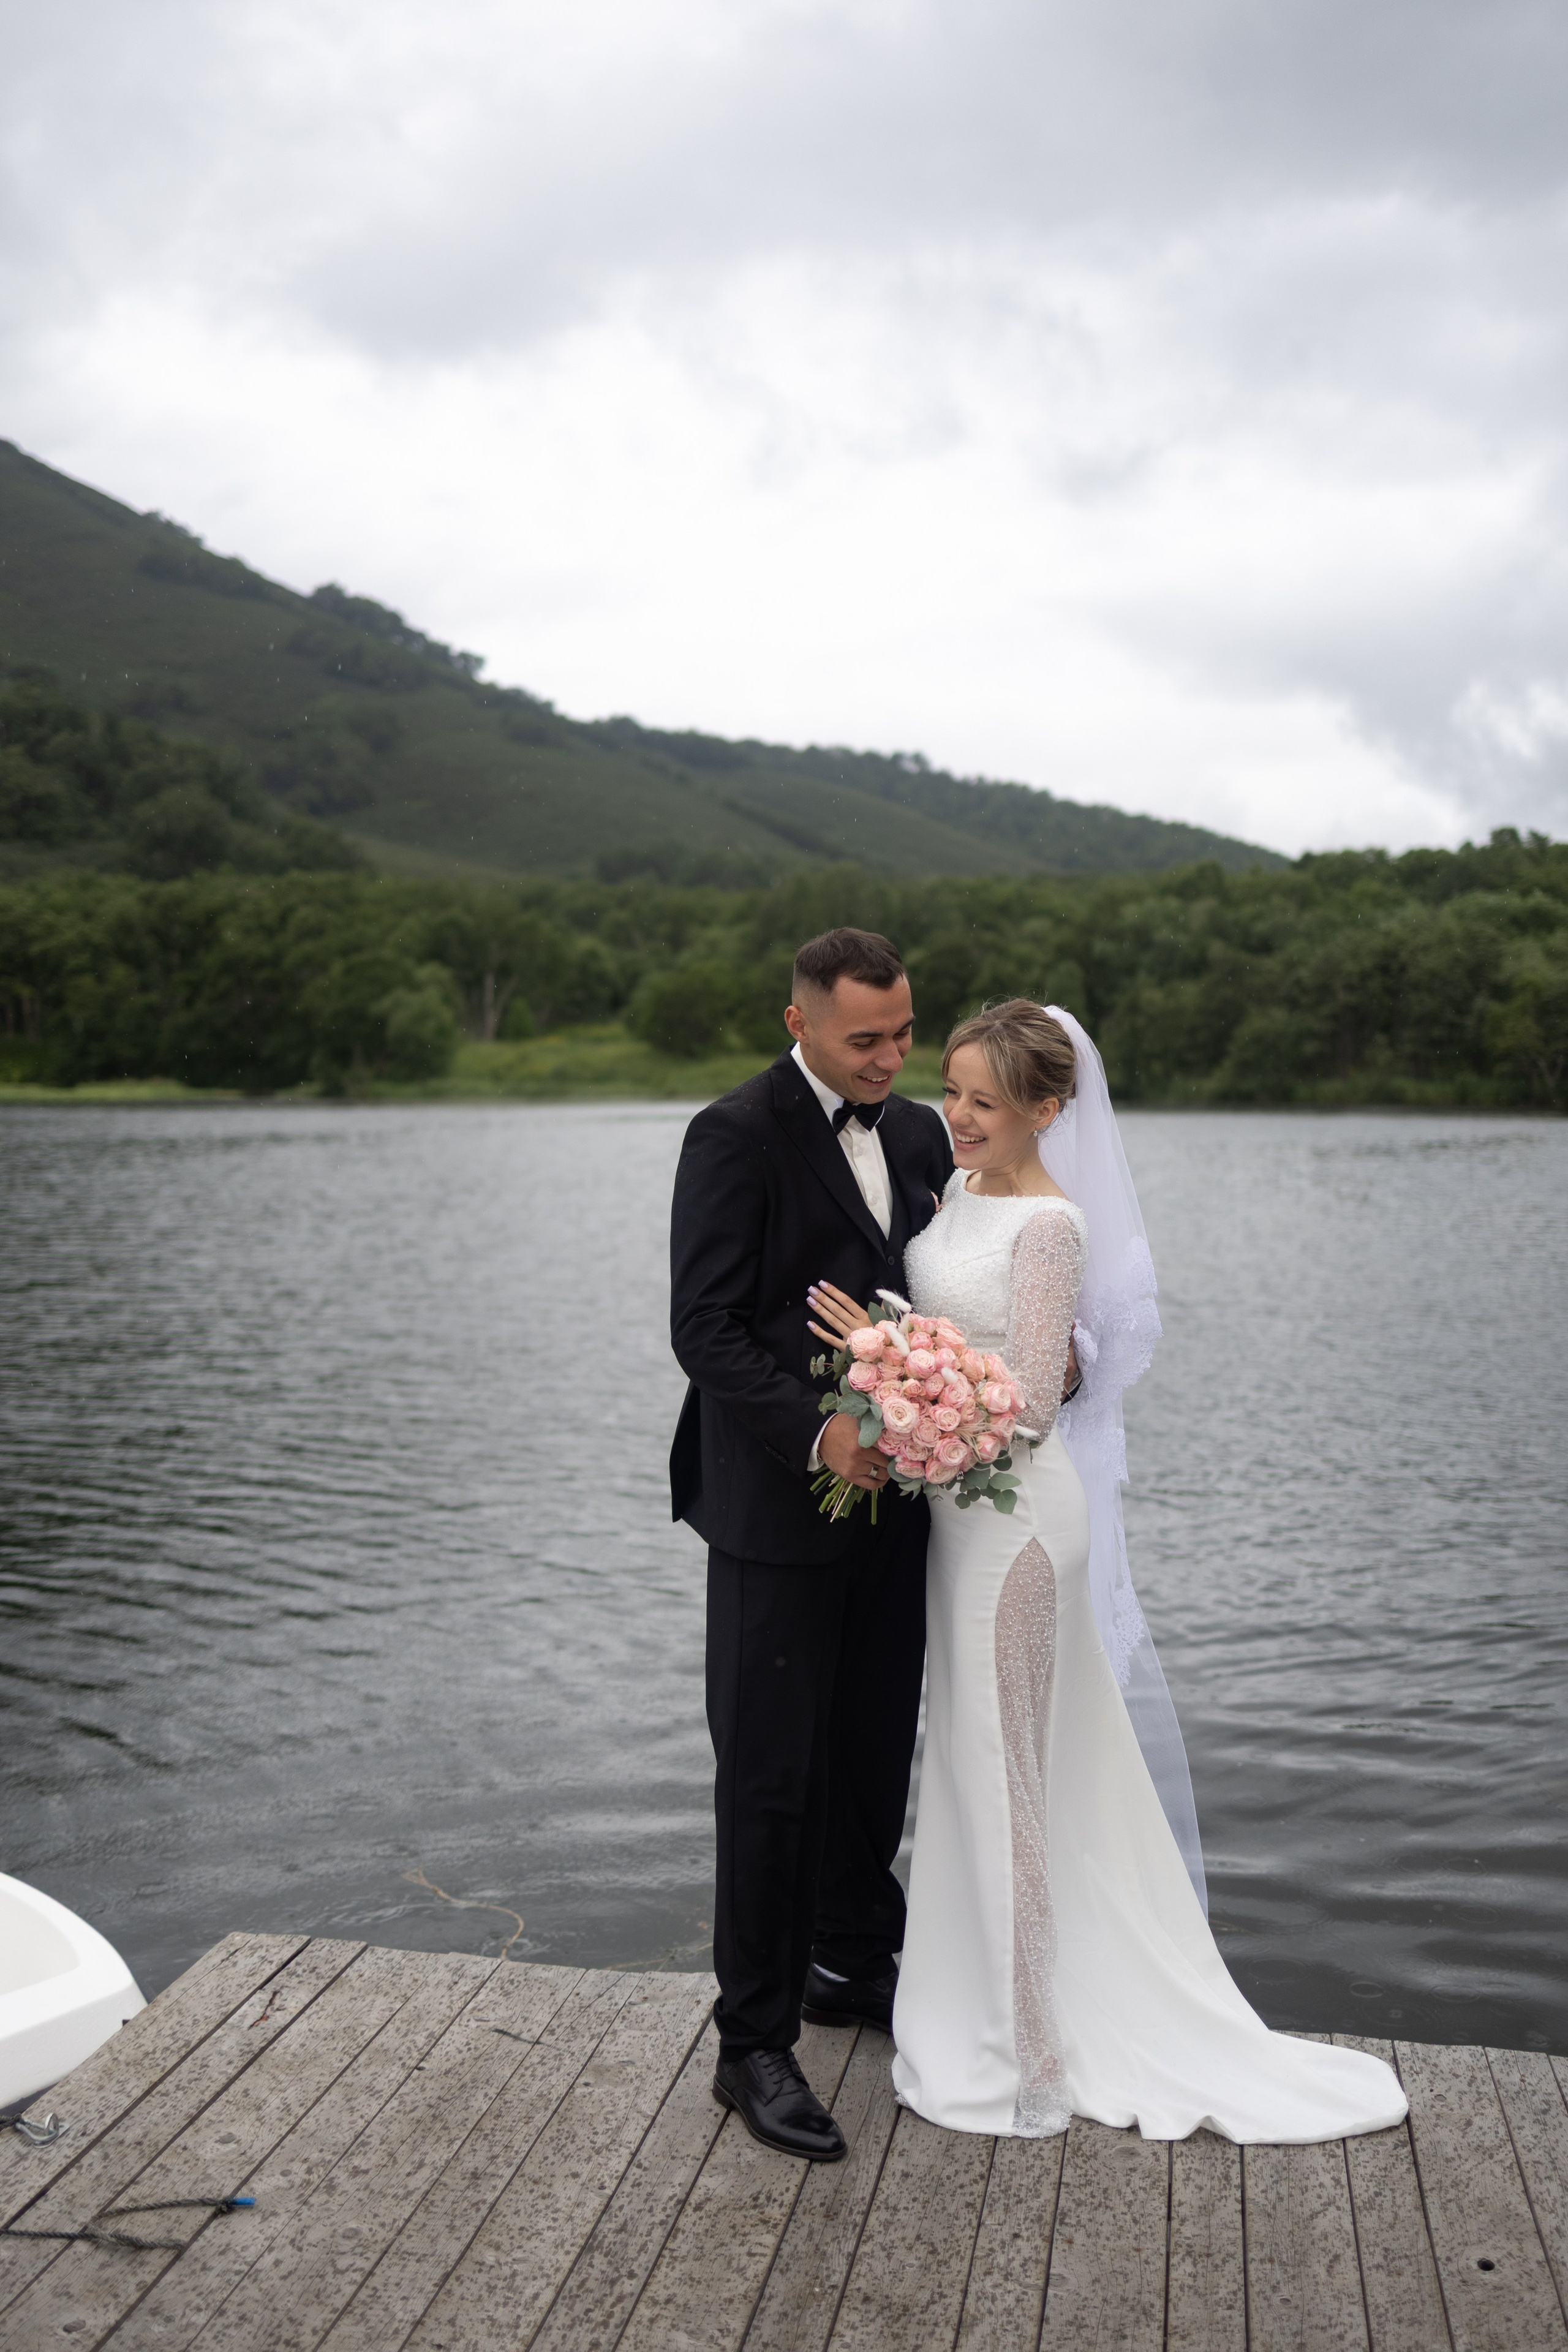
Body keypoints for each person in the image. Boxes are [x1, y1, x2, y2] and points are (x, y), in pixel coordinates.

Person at [809, 999, 1408, 2144]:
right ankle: (980, 2011)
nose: (959, 1115)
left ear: (1046, 1110)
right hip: (959, 1525)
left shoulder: (1053, 1227)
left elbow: (1033, 1401)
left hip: (1021, 1527)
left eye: (987, 1102)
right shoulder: (957, 1191)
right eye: (953, 1090)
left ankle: (1030, 2057)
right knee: (973, 1767)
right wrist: (892, 1357)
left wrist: (897, 1370)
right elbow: (960, 1336)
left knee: (1008, 1773)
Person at [668, 927, 951, 2161]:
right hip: (775, 1514)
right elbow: (705, 1328)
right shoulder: (733, 1135)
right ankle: (751, 2044)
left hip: (901, 1507)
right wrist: (816, 1434)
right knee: (769, 1779)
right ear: (798, 1023)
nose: (891, 1058)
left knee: (872, 1755)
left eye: (903, 1033)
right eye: (864, 1039)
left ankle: (851, 1961)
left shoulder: (923, 1134)